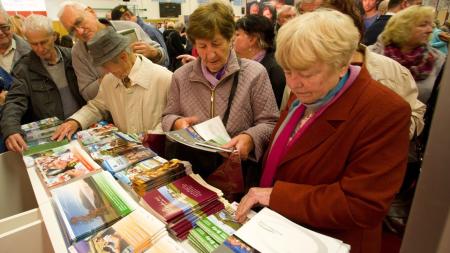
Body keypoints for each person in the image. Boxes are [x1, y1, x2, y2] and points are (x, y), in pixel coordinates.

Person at [235, 10, 411, 253]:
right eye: (287, 71)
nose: (294, 83)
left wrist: (276, 196)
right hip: (279, 230)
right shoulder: (308, 92)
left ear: (342, 65)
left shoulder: (385, 111)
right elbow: (289, 151)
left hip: (328, 240)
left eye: (306, 74)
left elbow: (362, 205)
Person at [162, 2, 279, 183]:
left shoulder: (254, 74)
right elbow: (168, 115)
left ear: (230, 38)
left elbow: (270, 122)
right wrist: (177, 123)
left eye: (216, 44)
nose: (210, 55)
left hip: (234, 174)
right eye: (202, 46)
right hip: (191, 171)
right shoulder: (181, 76)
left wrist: (250, 138)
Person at [52, 27, 172, 140]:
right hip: (128, 153)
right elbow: (97, 106)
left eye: (106, 66)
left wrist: (152, 139)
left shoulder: (164, 78)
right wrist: (75, 121)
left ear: (124, 57)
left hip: (159, 155)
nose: (105, 72)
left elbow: (173, 119)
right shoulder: (109, 80)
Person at [0, 14, 85, 152]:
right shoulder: (24, 68)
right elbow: (15, 100)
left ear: (54, 36)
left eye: (44, 42)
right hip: (54, 135)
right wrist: (10, 129)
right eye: (34, 44)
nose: (39, 48)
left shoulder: (73, 57)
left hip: (82, 125)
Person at [57, 1, 167, 101]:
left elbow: (164, 60)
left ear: (91, 12)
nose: (80, 31)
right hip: (116, 108)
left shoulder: (129, 27)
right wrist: (112, 72)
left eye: (79, 22)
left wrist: (154, 53)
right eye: (72, 31)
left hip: (150, 98)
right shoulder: (78, 52)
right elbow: (87, 94)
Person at [235, 15, 285, 108]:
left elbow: (271, 111)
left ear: (252, 39)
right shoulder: (238, 64)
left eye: (237, 34)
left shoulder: (274, 70)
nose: (232, 39)